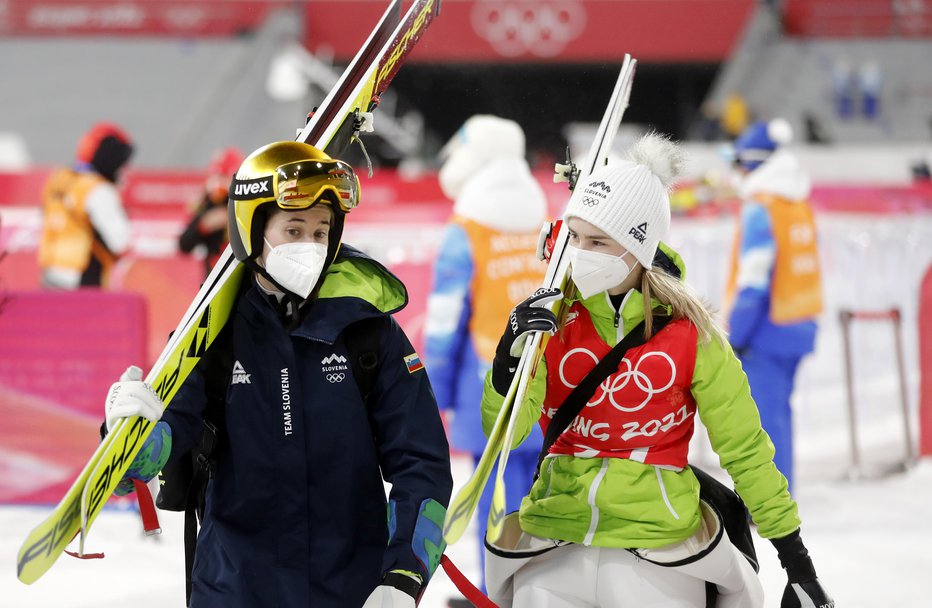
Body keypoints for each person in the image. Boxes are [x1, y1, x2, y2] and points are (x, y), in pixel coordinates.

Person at [481, 133, 833, 607]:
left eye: (598, 241)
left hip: (659, 545)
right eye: (575, 238)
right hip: (555, 538)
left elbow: (745, 450)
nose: (580, 253)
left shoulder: (693, 335)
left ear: (638, 246)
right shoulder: (554, 320)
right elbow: (504, 436)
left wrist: (797, 562)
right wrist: (509, 357)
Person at [103, 141, 454, 608]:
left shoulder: (369, 332)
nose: (310, 246)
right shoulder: (213, 336)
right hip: (235, 588)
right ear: (253, 230)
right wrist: (128, 436)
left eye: (320, 230)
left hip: (350, 590)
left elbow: (422, 463)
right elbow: (149, 456)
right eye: (293, 229)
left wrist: (405, 576)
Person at [424, 115, 547, 593]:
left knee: (494, 506)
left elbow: (443, 323)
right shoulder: (543, 225)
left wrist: (432, 389)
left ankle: (497, 594)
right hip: (545, 386)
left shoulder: (467, 231)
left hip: (487, 390)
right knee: (543, 500)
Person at [725, 119, 822, 493]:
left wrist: (735, 332)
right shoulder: (796, 204)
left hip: (764, 331)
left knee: (762, 421)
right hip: (797, 325)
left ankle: (768, 501)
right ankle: (781, 493)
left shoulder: (761, 208)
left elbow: (753, 281)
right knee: (779, 415)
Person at [38, 122, 134, 289]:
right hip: (83, 280)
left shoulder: (58, 178)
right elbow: (121, 243)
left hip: (49, 276)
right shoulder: (98, 189)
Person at [178, 146, 244, 278]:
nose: (219, 182)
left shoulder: (245, 201)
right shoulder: (209, 203)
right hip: (213, 277)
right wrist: (203, 225)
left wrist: (232, 219)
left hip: (242, 275)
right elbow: (184, 245)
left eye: (224, 176)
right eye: (217, 176)